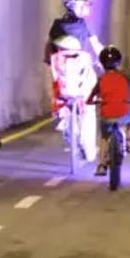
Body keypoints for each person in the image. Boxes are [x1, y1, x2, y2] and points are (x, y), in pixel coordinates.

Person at [88, 45, 130, 176]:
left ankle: (101, 165)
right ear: (119, 62)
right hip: (123, 114)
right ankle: (129, 140)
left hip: (106, 115)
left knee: (104, 136)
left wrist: (91, 101)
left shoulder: (101, 79)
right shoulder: (125, 77)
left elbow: (91, 97)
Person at [49, 34, 99, 162]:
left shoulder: (56, 59)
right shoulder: (84, 58)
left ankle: (80, 146)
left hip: (70, 96)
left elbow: (56, 80)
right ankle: (86, 149)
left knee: (75, 122)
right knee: (87, 120)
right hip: (82, 95)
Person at [45, 0, 104, 72]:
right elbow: (96, 45)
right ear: (79, 6)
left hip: (61, 65)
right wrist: (104, 59)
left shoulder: (58, 23)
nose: (88, 8)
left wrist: (48, 59)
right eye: (86, 5)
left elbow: (49, 44)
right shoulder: (85, 25)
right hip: (77, 64)